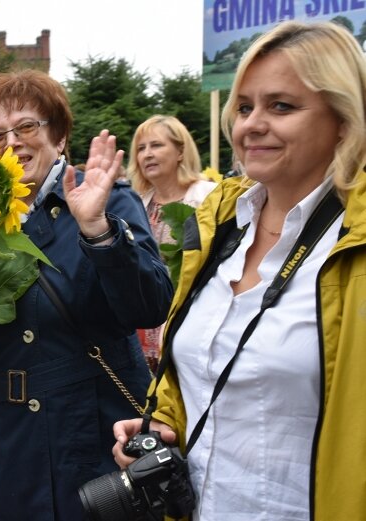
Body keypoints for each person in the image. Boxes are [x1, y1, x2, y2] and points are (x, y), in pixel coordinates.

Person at [113, 20, 366, 520]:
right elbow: (203, 376)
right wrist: (163, 424)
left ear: (344, 118)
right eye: (245, 107)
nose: (251, 124)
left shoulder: (352, 245)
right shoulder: (218, 230)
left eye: (281, 106)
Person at [0, 69, 173, 520]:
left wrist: (96, 230)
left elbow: (150, 305)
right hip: (7, 449)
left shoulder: (105, 200)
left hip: (88, 440)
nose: (11, 143)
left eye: (26, 127)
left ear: (57, 136)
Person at [126, 115, 216, 372]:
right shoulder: (135, 204)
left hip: (191, 324)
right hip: (141, 330)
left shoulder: (208, 198)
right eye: (141, 149)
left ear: (180, 151)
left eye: (156, 145)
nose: (147, 154)